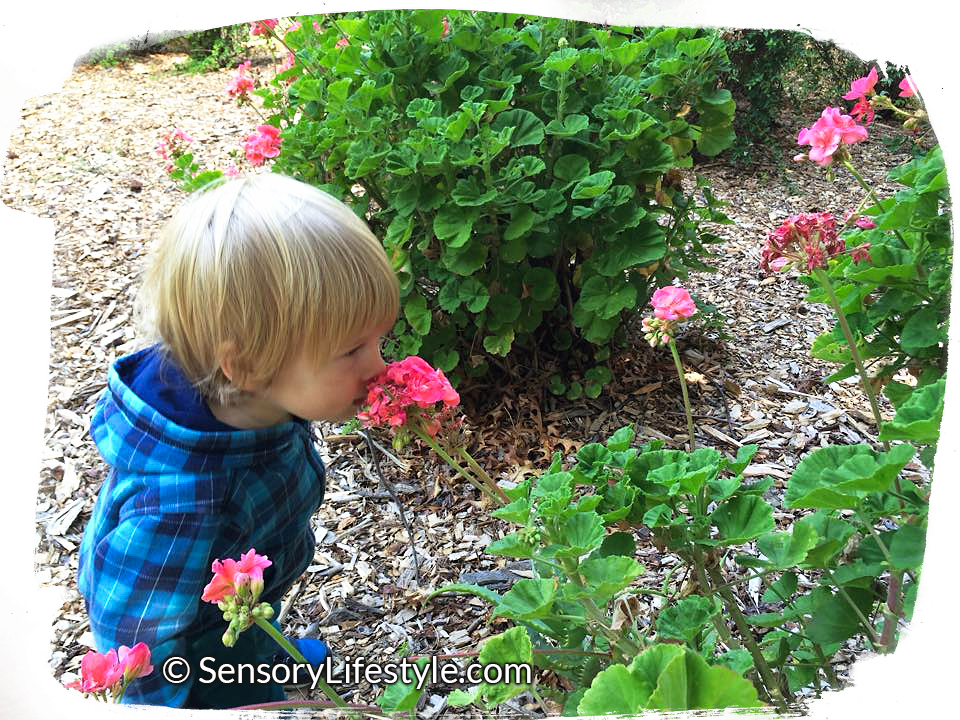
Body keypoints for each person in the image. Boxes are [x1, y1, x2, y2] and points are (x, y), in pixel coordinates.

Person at [76, 173, 399, 707]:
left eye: (377, 341)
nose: (378, 365)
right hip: (185, 647)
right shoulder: (178, 505)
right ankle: (234, 679)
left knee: (244, 620)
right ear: (246, 364)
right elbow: (136, 643)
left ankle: (255, 652)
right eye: (352, 350)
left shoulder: (262, 396)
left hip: (239, 593)